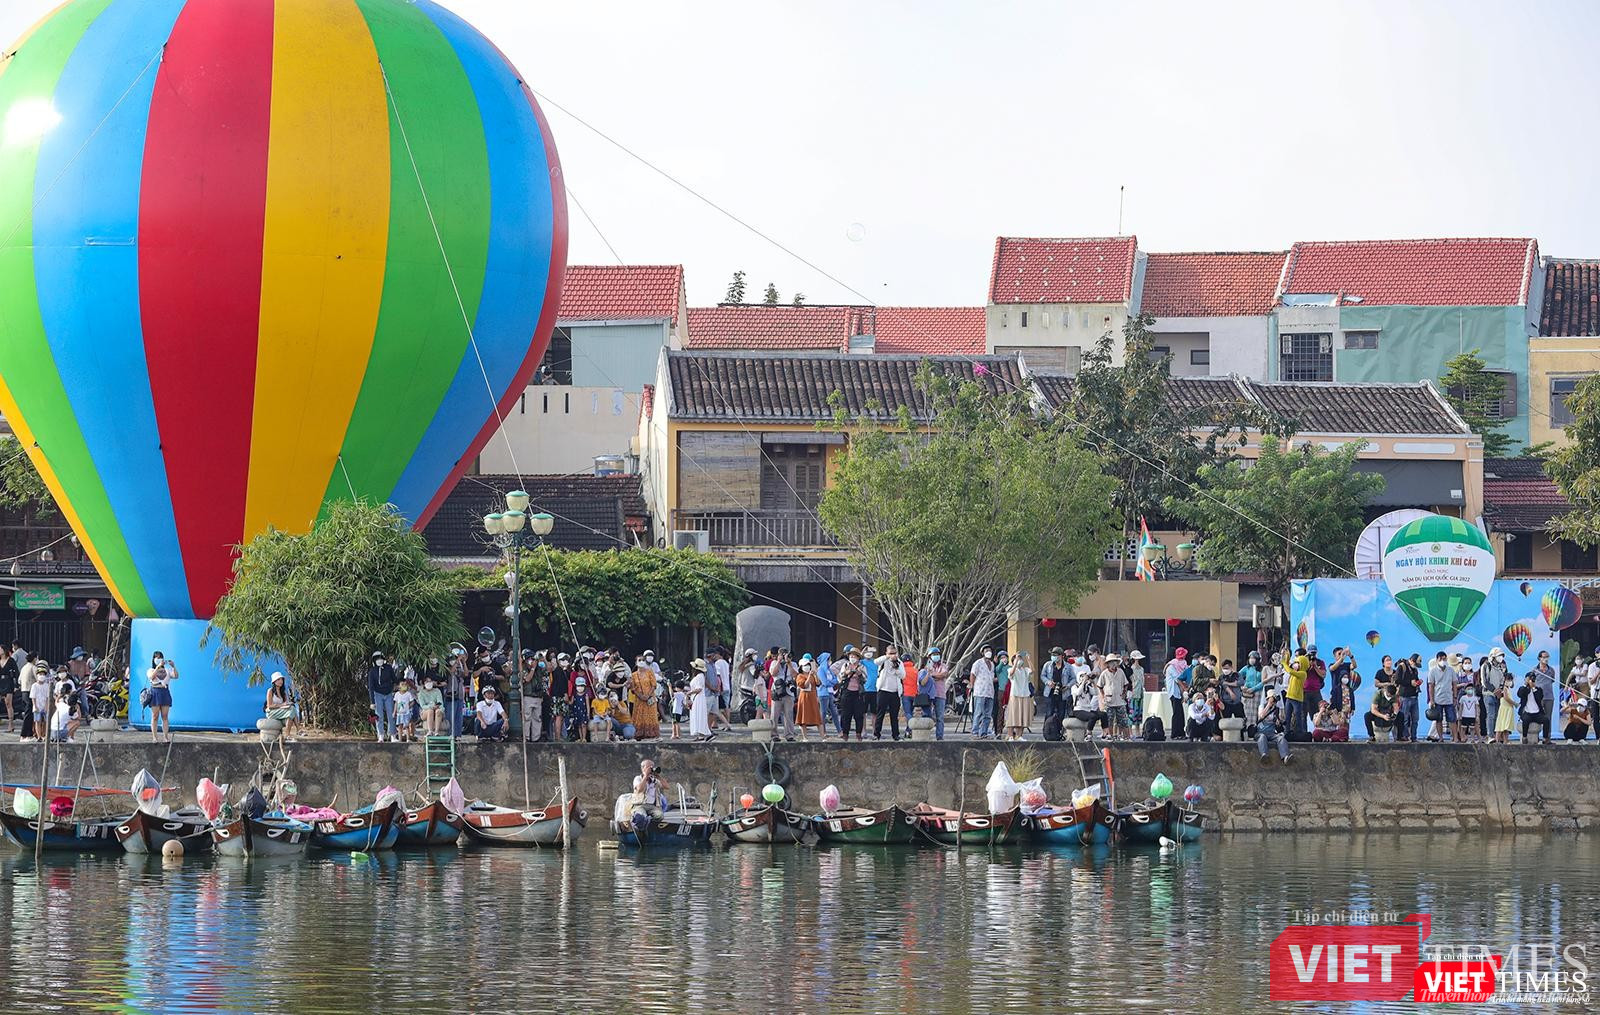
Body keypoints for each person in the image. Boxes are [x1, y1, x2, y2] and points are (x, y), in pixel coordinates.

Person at [874, 645, 905, 741]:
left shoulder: (899, 662)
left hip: (895, 692)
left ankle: (895, 735)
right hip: (883, 690)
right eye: (891, 653)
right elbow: (876, 662)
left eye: (894, 653)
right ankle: (876, 734)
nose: (893, 655)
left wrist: (896, 669)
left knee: (894, 715)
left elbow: (903, 676)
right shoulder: (884, 661)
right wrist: (887, 657)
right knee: (880, 713)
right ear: (886, 653)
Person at [366, 651, 397, 743]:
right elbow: (371, 687)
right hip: (377, 694)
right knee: (379, 715)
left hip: (388, 693)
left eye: (380, 658)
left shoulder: (388, 668)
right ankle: (381, 735)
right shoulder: (372, 671)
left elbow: (394, 679)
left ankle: (392, 735)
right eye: (377, 659)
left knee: (391, 714)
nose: (379, 660)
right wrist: (372, 702)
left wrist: (397, 685)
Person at [838, 649, 868, 741]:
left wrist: (859, 674)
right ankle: (845, 733)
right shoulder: (845, 665)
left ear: (858, 658)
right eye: (851, 656)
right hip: (847, 692)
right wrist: (847, 673)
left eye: (854, 656)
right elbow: (840, 677)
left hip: (858, 693)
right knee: (846, 714)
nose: (852, 658)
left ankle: (858, 733)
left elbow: (865, 679)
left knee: (859, 715)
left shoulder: (862, 667)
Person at [1005, 651, 1035, 739]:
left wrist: (1028, 659)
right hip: (1015, 695)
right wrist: (1015, 661)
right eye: (1017, 659)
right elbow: (1011, 674)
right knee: (1013, 716)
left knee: (1022, 717)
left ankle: (1019, 735)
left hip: (1025, 695)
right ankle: (1010, 736)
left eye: (1020, 659)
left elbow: (1033, 671)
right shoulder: (1010, 669)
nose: (1019, 660)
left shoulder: (1025, 670)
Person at [146, 653, 176, 743]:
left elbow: (176, 676)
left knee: (165, 716)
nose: (158, 659)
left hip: (164, 692)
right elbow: (151, 677)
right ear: (153, 659)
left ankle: (165, 737)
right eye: (156, 657)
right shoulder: (151, 670)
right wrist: (158, 666)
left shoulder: (167, 670)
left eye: (160, 657)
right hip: (155, 692)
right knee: (155, 716)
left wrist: (173, 666)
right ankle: (154, 737)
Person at [1099, 654, 1129, 740]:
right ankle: (1110, 736)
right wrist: (1103, 696)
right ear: (1108, 664)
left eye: (1114, 662)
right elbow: (1100, 686)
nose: (1113, 664)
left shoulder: (1121, 672)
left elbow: (1126, 684)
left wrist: (1124, 693)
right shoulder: (1104, 673)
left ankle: (1125, 736)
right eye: (1111, 662)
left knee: (1123, 720)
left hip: (1120, 700)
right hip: (1109, 700)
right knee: (1109, 720)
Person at [769, 649, 798, 742]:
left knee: (789, 714)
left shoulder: (793, 664)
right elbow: (773, 673)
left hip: (789, 692)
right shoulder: (774, 663)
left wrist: (788, 663)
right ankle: (774, 735)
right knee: (774, 715)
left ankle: (789, 735)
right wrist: (778, 661)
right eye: (782, 654)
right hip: (777, 692)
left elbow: (795, 675)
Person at [1257, 689, 1291, 764]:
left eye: (1274, 701)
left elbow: (1281, 721)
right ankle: (1264, 755)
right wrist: (1268, 705)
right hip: (1261, 732)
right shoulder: (1261, 706)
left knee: (1281, 738)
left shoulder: (1276, 709)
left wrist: (1278, 722)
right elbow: (1261, 716)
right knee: (1262, 737)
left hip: (1272, 732)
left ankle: (1285, 757)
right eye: (1272, 700)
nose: (1273, 703)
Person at [628, 661, 660, 741]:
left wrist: (648, 695)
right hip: (639, 699)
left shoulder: (650, 672)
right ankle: (639, 733)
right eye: (639, 660)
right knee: (639, 715)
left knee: (650, 716)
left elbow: (654, 685)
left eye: (642, 660)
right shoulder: (634, 675)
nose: (641, 662)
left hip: (650, 698)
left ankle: (651, 733)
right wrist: (640, 696)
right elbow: (633, 688)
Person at [1393, 653, 1422, 742]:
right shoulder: (1402, 667)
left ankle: (1414, 737)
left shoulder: (1414, 669)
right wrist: (1410, 682)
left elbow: (1415, 679)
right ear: (1412, 661)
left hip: (1414, 696)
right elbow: (1397, 680)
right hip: (1405, 697)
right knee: (1405, 718)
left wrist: (1418, 682)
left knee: (1415, 719)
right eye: (1416, 664)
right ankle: (1405, 736)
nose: (1416, 666)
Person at [264, 672, 300, 742]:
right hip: (271, 712)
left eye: (281, 679)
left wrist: (288, 704)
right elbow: (269, 706)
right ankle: (297, 730)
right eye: (278, 679)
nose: (280, 681)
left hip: (282, 712)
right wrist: (282, 705)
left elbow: (286, 704)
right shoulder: (270, 691)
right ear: (274, 682)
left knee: (292, 710)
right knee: (292, 710)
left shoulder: (283, 692)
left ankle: (288, 736)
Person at [1532, 650, 1558, 743]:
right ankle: (1535, 737)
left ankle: (1547, 738)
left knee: (1548, 718)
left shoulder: (1551, 670)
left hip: (1549, 697)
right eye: (1544, 657)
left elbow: (1552, 680)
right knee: (1536, 716)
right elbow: (1531, 682)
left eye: (1547, 657)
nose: (1546, 659)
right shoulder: (1534, 670)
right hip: (1538, 698)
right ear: (1539, 658)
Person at [794, 658, 823, 742]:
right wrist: (809, 676)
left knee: (817, 717)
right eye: (805, 665)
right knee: (803, 718)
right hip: (804, 698)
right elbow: (804, 685)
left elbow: (818, 683)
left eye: (808, 665)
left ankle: (823, 737)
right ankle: (805, 737)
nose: (807, 667)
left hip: (813, 697)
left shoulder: (813, 675)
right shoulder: (800, 676)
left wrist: (815, 674)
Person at [1164, 649, 1191, 739]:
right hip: (1174, 692)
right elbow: (1178, 679)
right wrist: (1185, 689)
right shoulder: (1171, 667)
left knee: (1180, 713)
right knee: (1176, 713)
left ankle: (1181, 733)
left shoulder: (1183, 665)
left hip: (1180, 693)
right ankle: (1175, 734)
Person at [970, 648, 996, 739]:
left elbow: (991, 677)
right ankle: (975, 732)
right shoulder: (978, 663)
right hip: (980, 691)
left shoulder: (992, 664)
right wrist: (972, 685)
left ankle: (983, 732)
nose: (989, 652)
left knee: (987, 714)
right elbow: (973, 674)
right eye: (986, 651)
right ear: (982, 653)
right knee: (978, 713)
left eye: (990, 650)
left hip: (989, 692)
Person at [1071, 667, 1105, 736]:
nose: (1085, 678)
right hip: (1078, 710)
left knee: (1103, 714)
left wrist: (1093, 683)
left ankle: (1105, 733)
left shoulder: (1087, 687)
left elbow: (1096, 693)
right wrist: (1083, 682)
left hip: (1088, 709)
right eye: (1083, 676)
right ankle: (1088, 733)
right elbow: (1078, 692)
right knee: (1092, 716)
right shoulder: (1074, 687)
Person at [688, 659, 714, 742]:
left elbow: (699, 689)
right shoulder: (700, 676)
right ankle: (700, 735)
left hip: (698, 698)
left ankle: (704, 733)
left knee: (699, 715)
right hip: (696, 698)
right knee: (697, 715)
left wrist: (689, 692)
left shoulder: (699, 676)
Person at [27, 664, 51, 744]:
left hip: (45, 706)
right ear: (37, 675)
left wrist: (46, 706)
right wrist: (35, 706)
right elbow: (33, 697)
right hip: (37, 706)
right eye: (40, 674)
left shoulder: (47, 685)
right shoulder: (34, 686)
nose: (42, 676)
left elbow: (47, 697)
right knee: (37, 721)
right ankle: (39, 736)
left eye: (43, 674)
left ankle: (44, 735)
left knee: (45, 722)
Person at [817, 652, 840, 736]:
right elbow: (825, 682)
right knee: (823, 713)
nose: (830, 661)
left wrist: (831, 682)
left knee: (835, 713)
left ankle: (839, 731)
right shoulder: (820, 669)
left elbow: (836, 680)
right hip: (823, 694)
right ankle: (823, 732)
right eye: (829, 659)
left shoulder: (829, 670)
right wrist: (832, 682)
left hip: (831, 693)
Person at [392, 678, 418, 743]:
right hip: (399, 713)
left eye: (405, 684)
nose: (404, 686)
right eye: (402, 684)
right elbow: (396, 703)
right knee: (400, 726)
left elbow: (412, 702)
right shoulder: (397, 694)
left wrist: (408, 706)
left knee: (406, 726)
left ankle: (408, 739)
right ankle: (400, 739)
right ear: (399, 686)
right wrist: (394, 712)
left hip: (406, 713)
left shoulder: (408, 694)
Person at [0, 647, 16, 733]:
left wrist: (16, 685)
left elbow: (16, 671)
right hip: (0, 682)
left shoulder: (10, 660)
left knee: (8, 703)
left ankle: (11, 724)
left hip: (8, 682)